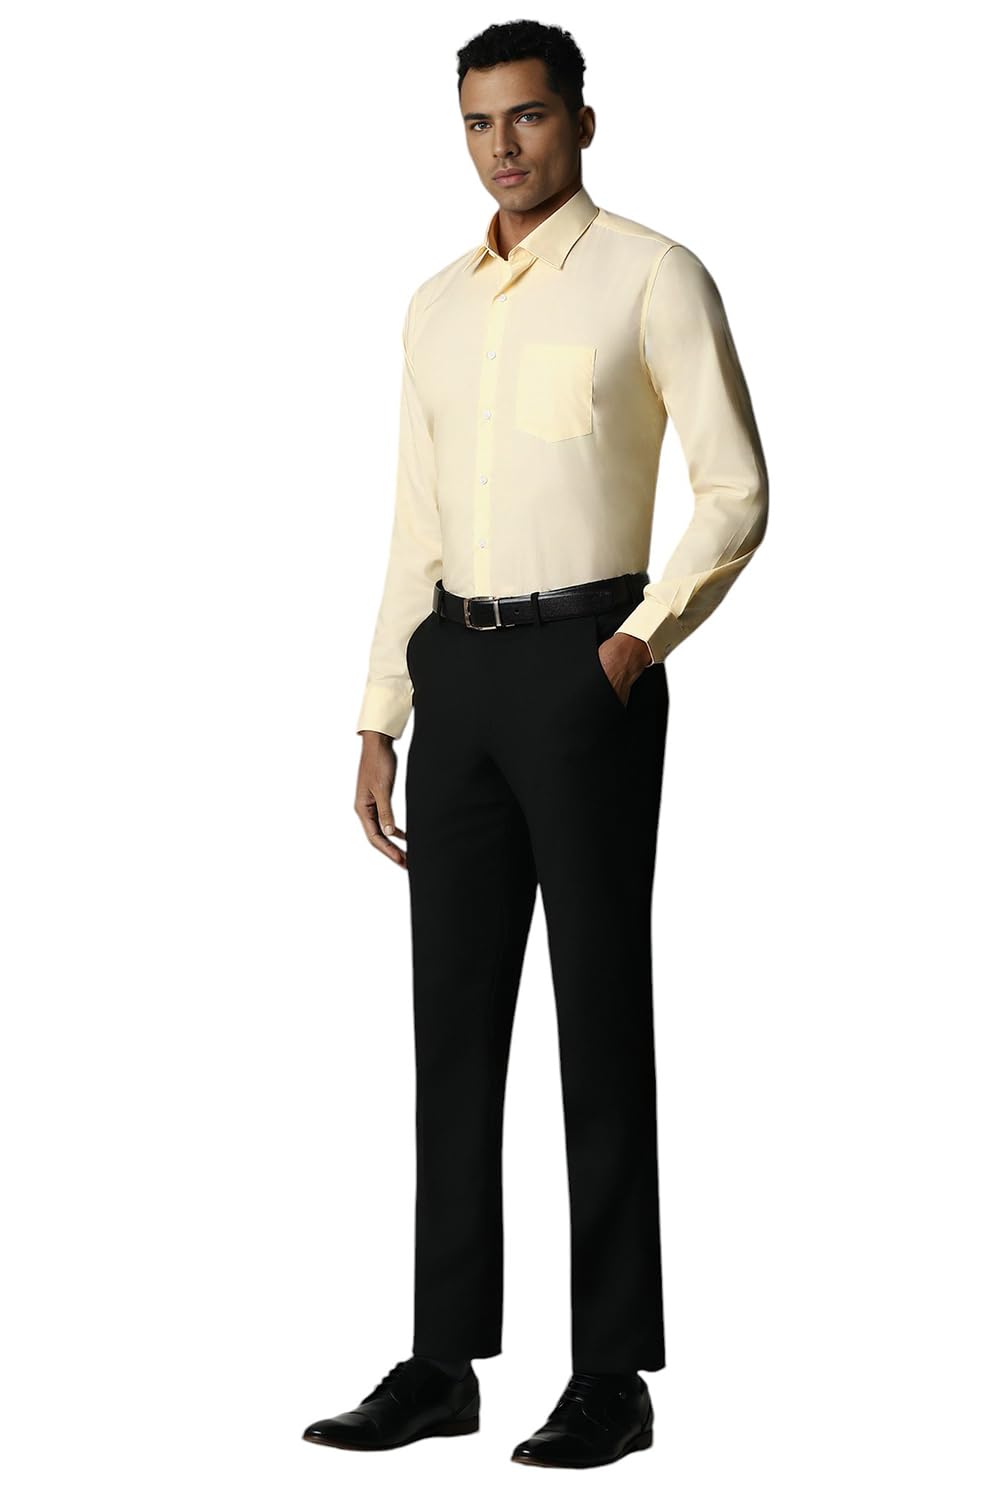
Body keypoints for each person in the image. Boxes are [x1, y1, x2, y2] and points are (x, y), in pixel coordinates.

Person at [302, 17, 768, 1470]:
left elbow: (736, 490)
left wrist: (637, 643)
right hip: (458, 672)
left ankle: (612, 1377)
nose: (502, 146)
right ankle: (442, 1361)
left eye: (527, 116)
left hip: (586, 669)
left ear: (580, 120)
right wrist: (381, 710)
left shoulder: (652, 275)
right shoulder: (435, 306)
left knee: (598, 1017)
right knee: (453, 1026)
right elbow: (415, 521)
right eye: (478, 123)